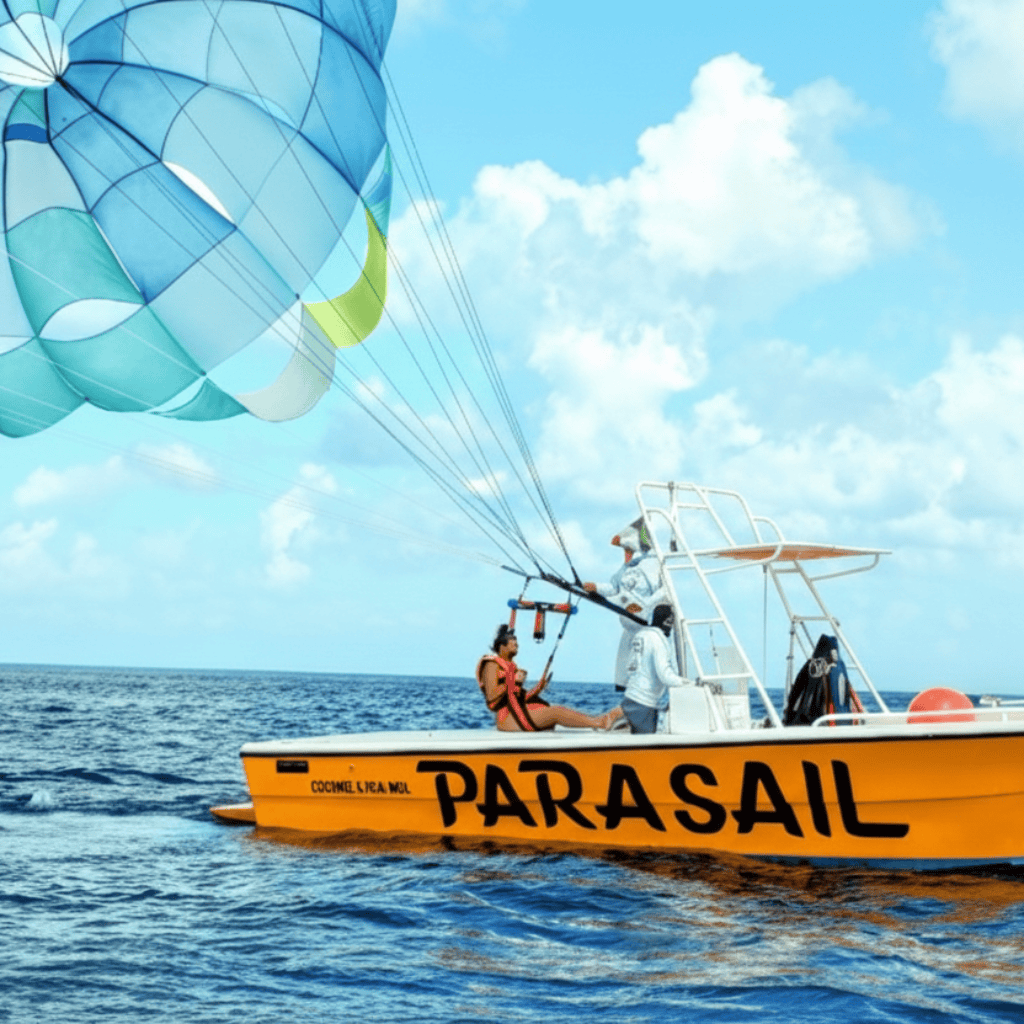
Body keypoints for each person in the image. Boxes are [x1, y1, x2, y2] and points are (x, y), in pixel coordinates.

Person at [477, 623, 617, 732]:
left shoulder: (511, 667)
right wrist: (514, 681)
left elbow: (520, 699)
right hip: (507, 718)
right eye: (513, 642)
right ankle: (601, 723)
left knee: (553, 710)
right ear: (502, 646)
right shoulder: (491, 664)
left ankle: (599, 721)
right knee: (556, 712)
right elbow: (492, 697)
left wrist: (539, 688)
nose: (517, 645)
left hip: (516, 713)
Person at [582, 518, 666, 690]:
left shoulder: (655, 565)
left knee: (644, 676)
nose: (625, 553)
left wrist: (646, 608)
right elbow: (614, 588)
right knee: (623, 678)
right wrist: (595, 587)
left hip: (646, 628)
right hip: (628, 628)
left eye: (627, 549)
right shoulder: (626, 568)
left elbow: (664, 591)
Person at [618, 604, 686, 734]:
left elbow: (630, 668)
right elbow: (665, 676)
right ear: (668, 621)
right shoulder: (658, 640)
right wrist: (688, 683)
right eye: (672, 622)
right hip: (644, 704)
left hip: (630, 698)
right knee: (645, 748)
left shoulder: (641, 635)